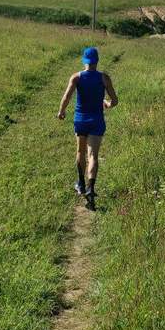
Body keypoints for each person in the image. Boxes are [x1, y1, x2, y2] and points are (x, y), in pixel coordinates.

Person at [57, 47, 118, 210]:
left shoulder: (76, 77)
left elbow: (67, 96)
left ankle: (81, 184)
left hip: (81, 120)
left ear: (84, 61)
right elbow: (114, 101)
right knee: (93, 156)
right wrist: (106, 103)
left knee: (80, 152)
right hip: (96, 121)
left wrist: (61, 111)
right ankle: (91, 188)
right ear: (97, 61)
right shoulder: (104, 78)